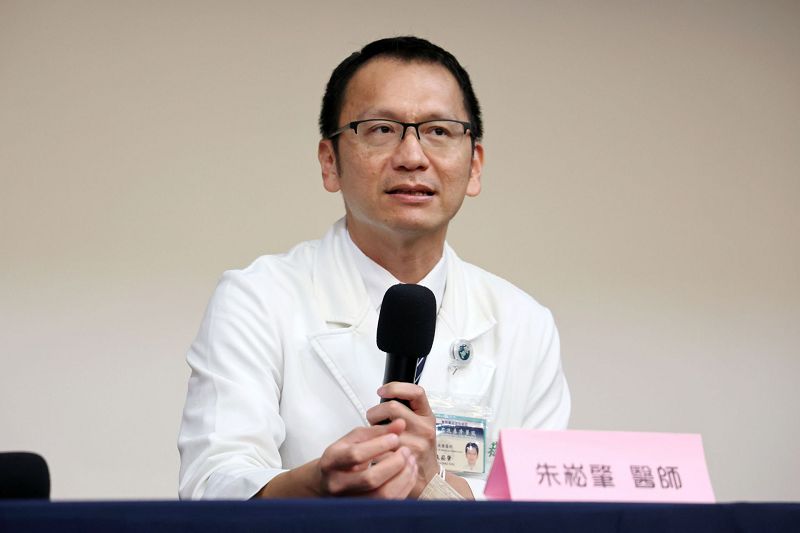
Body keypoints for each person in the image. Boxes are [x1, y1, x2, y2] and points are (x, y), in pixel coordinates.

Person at [178, 36, 570, 501]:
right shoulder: (258, 299)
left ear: (475, 166)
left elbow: (546, 507)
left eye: (439, 131)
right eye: (381, 129)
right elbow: (212, 484)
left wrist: (437, 486)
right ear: (330, 163)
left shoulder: (524, 324)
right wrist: (315, 485)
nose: (412, 157)